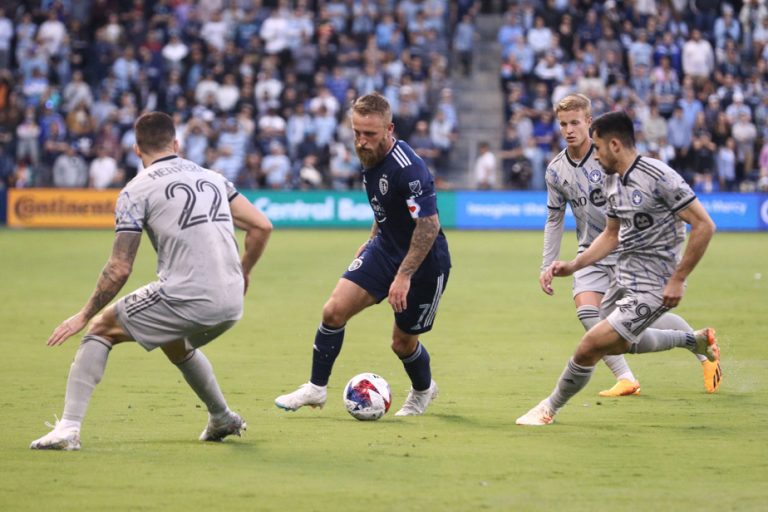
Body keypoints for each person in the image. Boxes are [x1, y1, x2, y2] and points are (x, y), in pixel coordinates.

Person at [30, 112, 273, 450]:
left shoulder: (136, 189)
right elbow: (262, 226)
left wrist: (83, 315)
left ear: (136, 149)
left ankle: (68, 429)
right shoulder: (213, 177)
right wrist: (243, 271)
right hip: (232, 300)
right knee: (174, 342)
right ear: (176, 143)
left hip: (189, 295)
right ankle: (222, 418)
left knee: (101, 329)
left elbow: (119, 268)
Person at [518, 111, 720, 426]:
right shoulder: (612, 181)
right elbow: (610, 236)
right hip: (623, 279)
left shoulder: (659, 176)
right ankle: (694, 340)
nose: (594, 156)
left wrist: (678, 279)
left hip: (655, 285)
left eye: (597, 148)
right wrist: (573, 265)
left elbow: (704, 225)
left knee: (590, 346)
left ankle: (547, 409)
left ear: (614, 145)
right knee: (623, 343)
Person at [275, 93, 451, 416]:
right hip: (385, 249)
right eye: (356, 132)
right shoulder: (368, 155)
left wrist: (404, 275)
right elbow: (386, 205)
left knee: (401, 343)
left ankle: (423, 390)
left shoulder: (409, 168)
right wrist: (372, 240)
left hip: (424, 264)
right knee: (333, 311)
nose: (361, 141)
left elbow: (428, 226)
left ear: (389, 129)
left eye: (369, 134)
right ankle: (316, 388)